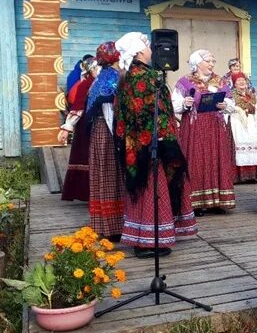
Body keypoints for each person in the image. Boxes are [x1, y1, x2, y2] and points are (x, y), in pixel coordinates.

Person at [114, 32, 198, 258]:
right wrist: (165, 137)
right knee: (153, 188)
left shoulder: (128, 75)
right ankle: (147, 241)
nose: (152, 49)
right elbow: (150, 111)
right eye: (148, 46)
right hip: (150, 145)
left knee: (144, 189)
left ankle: (146, 238)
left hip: (136, 145)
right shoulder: (143, 76)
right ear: (140, 51)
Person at [173, 49, 236, 214]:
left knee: (216, 158)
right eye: (208, 61)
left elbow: (231, 102)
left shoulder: (220, 81)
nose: (212, 64)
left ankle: (217, 201)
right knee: (197, 159)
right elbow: (174, 104)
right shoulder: (185, 81)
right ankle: (197, 203)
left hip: (215, 126)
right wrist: (185, 103)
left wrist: (225, 105)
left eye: (213, 61)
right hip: (195, 127)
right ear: (197, 63)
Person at [85, 42, 125, 241]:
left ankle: (103, 223)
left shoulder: (100, 78)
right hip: (108, 131)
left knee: (102, 174)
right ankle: (115, 226)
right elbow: (111, 109)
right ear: (117, 57)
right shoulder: (113, 78)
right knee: (112, 174)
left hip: (97, 132)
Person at [58, 56, 99, 202]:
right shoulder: (84, 85)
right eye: (95, 68)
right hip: (86, 127)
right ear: (89, 71)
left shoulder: (104, 83)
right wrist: (67, 127)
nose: (98, 71)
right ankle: (86, 193)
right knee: (85, 156)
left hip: (100, 126)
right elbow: (77, 108)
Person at [229, 71, 257, 183]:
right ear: (234, 84)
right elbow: (228, 108)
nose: (241, 82)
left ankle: (253, 175)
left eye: (243, 80)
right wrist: (238, 110)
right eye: (238, 81)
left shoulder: (252, 95)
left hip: (251, 123)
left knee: (254, 145)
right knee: (240, 145)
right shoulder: (230, 95)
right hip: (238, 123)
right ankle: (240, 176)